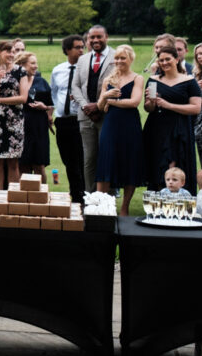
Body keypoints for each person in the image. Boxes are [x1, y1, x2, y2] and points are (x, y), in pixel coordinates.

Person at [143, 47, 202, 193]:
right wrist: (151, 101)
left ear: (177, 59)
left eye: (168, 59)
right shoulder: (153, 80)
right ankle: (158, 203)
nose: (164, 63)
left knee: (175, 164)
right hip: (157, 128)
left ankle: (179, 202)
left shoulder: (189, 81)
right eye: (161, 60)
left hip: (179, 128)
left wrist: (168, 105)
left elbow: (196, 108)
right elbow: (148, 108)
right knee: (158, 165)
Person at [95, 45, 145, 216]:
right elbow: (101, 107)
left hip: (130, 124)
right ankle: (101, 206)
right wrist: (105, 97)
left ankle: (124, 207)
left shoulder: (138, 78)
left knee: (129, 161)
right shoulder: (109, 80)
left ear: (131, 59)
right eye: (116, 58)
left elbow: (134, 102)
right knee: (106, 160)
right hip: (111, 124)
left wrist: (112, 102)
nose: (118, 61)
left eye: (123, 58)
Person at [71, 25, 114, 193]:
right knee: (89, 159)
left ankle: (107, 197)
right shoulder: (83, 59)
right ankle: (90, 196)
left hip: (108, 114)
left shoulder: (115, 56)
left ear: (106, 37)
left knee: (106, 157)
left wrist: (98, 106)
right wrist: (85, 106)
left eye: (99, 37)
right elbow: (75, 86)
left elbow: (119, 84)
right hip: (85, 115)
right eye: (92, 38)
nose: (95, 40)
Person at [0, 41, 32, 190]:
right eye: (8, 52)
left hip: (14, 121)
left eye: (13, 52)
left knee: (13, 162)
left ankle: (12, 197)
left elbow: (23, 98)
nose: (12, 55)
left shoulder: (21, 72)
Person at [51, 34, 87, 201]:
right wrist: (52, 113)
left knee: (82, 161)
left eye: (82, 47)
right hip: (63, 121)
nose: (81, 50)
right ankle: (75, 195)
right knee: (69, 161)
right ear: (67, 50)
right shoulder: (58, 70)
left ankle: (84, 196)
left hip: (81, 119)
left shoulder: (87, 70)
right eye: (77, 47)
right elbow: (54, 93)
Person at [20, 52, 52, 179]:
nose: (36, 66)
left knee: (39, 164)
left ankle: (41, 196)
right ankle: (23, 197)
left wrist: (45, 108)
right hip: (20, 125)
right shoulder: (15, 82)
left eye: (36, 63)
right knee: (23, 165)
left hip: (39, 125)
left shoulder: (41, 81)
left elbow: (51, 104)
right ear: (22, 65)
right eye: (32, 63)